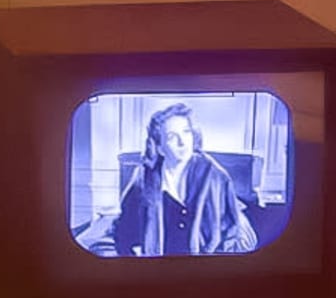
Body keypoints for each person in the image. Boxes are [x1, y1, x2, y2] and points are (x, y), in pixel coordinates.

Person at [106, 102, 257, 256]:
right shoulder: (145, 179)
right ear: (160, 148)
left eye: (186, 132)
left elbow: (235, 230)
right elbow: (123, 232)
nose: (182, 142)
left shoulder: (215, 176)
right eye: (172, 136)